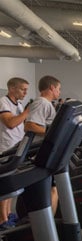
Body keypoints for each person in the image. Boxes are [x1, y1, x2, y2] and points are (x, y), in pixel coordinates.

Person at [24, 75, 61, 214]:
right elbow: (29, 125)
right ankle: (47, 230)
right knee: (51, 190)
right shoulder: (42, 103)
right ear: (52, 87)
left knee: (52, 189)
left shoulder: (46, 104)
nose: (59, 92)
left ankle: (49, 228)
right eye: (58, 88)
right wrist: (54, 133)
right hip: (38, 152)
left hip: (43, 151)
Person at [0, 77, 30, 230]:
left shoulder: (18, 104)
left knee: (11, 186)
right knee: (5, 186)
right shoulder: (3, 102)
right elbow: (10, 123)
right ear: (12, 88)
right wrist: (27, 112)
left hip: (16, 148)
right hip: (5, 148)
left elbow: (21, 125)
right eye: (22, 89)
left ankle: (8, 215)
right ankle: (2, 220)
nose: (25, 92)